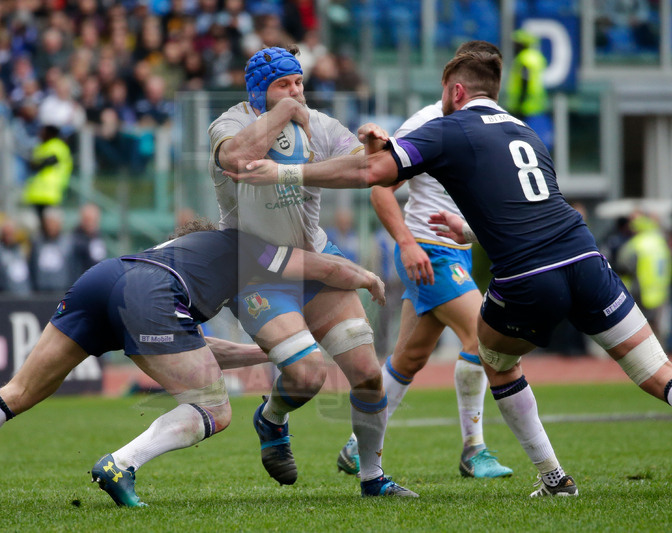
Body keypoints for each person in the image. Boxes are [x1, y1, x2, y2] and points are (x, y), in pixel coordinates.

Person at [229, 49, 672, 497]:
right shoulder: (526, 132)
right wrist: (457, 232)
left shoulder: (444, 127)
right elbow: (529, 210)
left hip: (525, 273)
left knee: (491, 358)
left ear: (455, 91)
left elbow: (372, 172)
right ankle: (422, 448)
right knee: (656, 372)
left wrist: (285, 174)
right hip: (583, 258)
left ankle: (543, 474)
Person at [0, 220, 385, 511]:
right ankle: (120, 465)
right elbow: (321, 267)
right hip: (151, 294)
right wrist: (365, 276)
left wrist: (267, 353)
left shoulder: (179, 251)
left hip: (104, 279)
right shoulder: (242, 245)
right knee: (215, 409)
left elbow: (189, 348)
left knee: (18, 391)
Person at [209, 46, 414, 497]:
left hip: (315, 261)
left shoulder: (317, 124)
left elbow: (366, 169)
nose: (297, 93)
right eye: (284, 85)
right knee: (307, 376)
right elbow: (237, 160)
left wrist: (375, 145)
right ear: (259, 90)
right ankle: (272, 417)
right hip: (256, 270)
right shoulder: (229, 123)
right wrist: (282, 111)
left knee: (366, 372)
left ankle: (372, 478)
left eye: (299, 83)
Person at [335, 41, 512, 481]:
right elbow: (380, 187)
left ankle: (357, 447)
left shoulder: (490, 123)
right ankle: (475, 449)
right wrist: (408, 244)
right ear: (455, 89)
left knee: (408, 359)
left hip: (457, 251)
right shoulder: (427, 124)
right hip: (428, 251)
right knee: (483, 336)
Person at [616, 212, 672, 334]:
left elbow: (622, 267)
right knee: (656, 328)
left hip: (638, 291)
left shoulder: (635, 244)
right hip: (659, 292)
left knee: (639, 329)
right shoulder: (660, 242)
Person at [505, 29, 552, 154]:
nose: (514, 47)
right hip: (536, 105)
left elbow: (524, 82)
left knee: (521, 141)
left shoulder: (524, 59)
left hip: (525, 106)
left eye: (517, 44)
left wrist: (519, 104)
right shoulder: (535, 57)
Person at [21, 124, 73, 225]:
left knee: (50, 225)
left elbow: (44, 163)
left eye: (43, 132)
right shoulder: (41, 147)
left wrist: (36, 163)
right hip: (36, 194)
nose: (40, 134)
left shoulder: (58, 146)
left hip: (51, 194)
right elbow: (32, 165)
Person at [70, 203, 108, 279]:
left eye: (94, 220)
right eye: (88, 220)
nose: (91, 223)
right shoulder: (74, 239)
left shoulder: (98, 237)